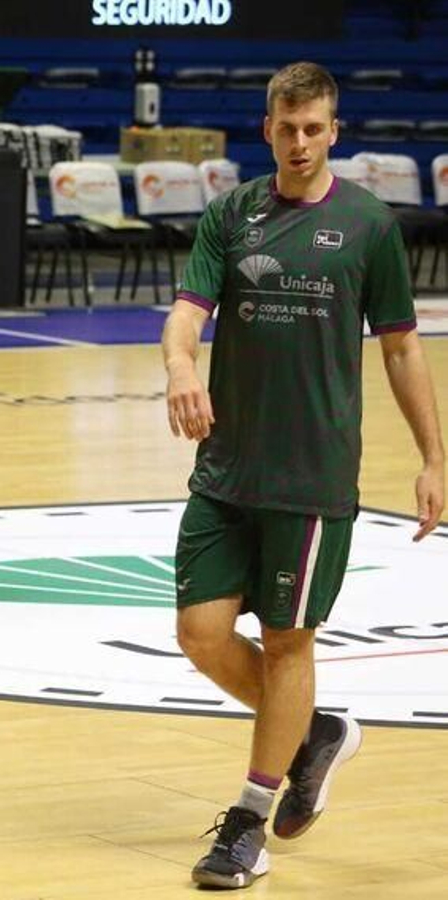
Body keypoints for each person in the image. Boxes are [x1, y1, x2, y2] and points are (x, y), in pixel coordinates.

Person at [162, 61, 444, 890]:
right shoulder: (232, 214)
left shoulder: (368, 226)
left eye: (313, 128)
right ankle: (315, 733)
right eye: (286, 128)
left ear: (334, 131)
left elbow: (401, 347)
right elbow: (186, 313)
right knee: (200, 634)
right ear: (267, 129)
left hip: (312, 476)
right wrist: (180, 366)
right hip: (226, 468)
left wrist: (434, 457)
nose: (299, 142)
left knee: (289, 642)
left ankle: (248, 822)